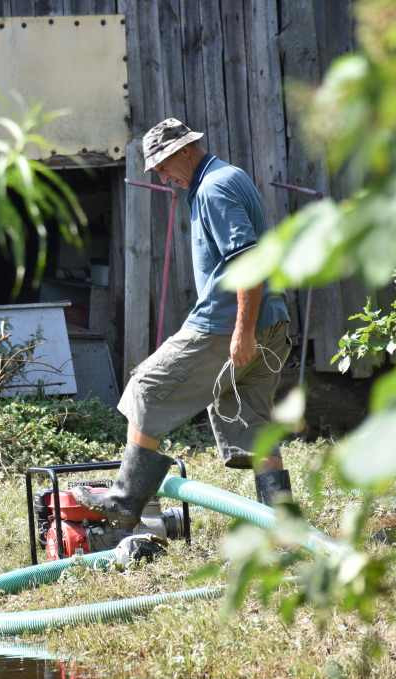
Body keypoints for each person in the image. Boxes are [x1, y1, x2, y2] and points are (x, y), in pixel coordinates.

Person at [73, 118, 294, 529]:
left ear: (187, 150)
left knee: (147, 387)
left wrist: (242, 332)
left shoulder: (213, 188)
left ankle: (124, 500)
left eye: (162, 163)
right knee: (253, 423)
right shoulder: (230, 177)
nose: (160, 173)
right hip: (273, 322)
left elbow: (248, 262)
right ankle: (282, 524)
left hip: (227, 325)